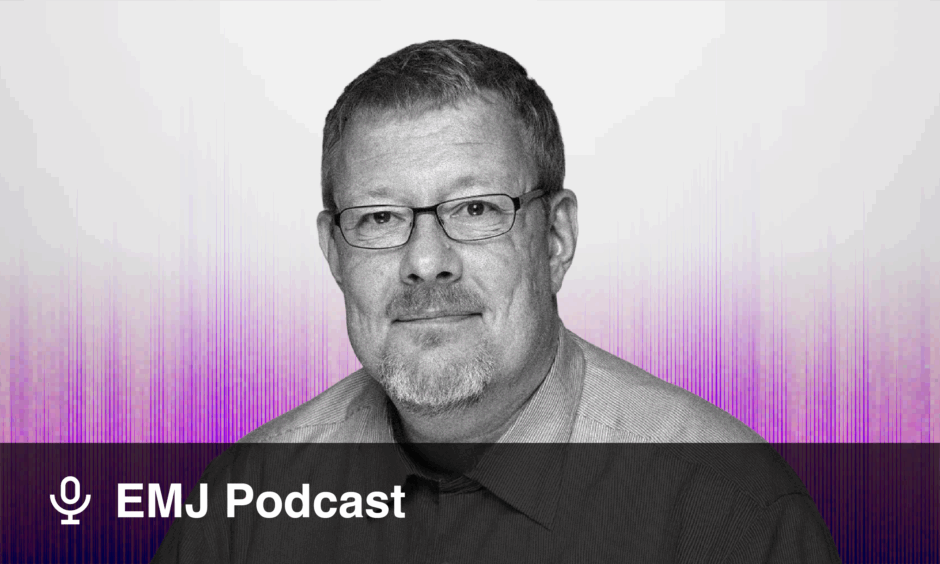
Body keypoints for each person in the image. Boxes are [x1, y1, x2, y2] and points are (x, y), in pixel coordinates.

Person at [152, 39, 841, 563]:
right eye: (380, 218)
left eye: (477, 209)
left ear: (556, 238)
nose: (426, 262)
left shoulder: (729, 515)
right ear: (334, 254)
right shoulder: (246, 507)